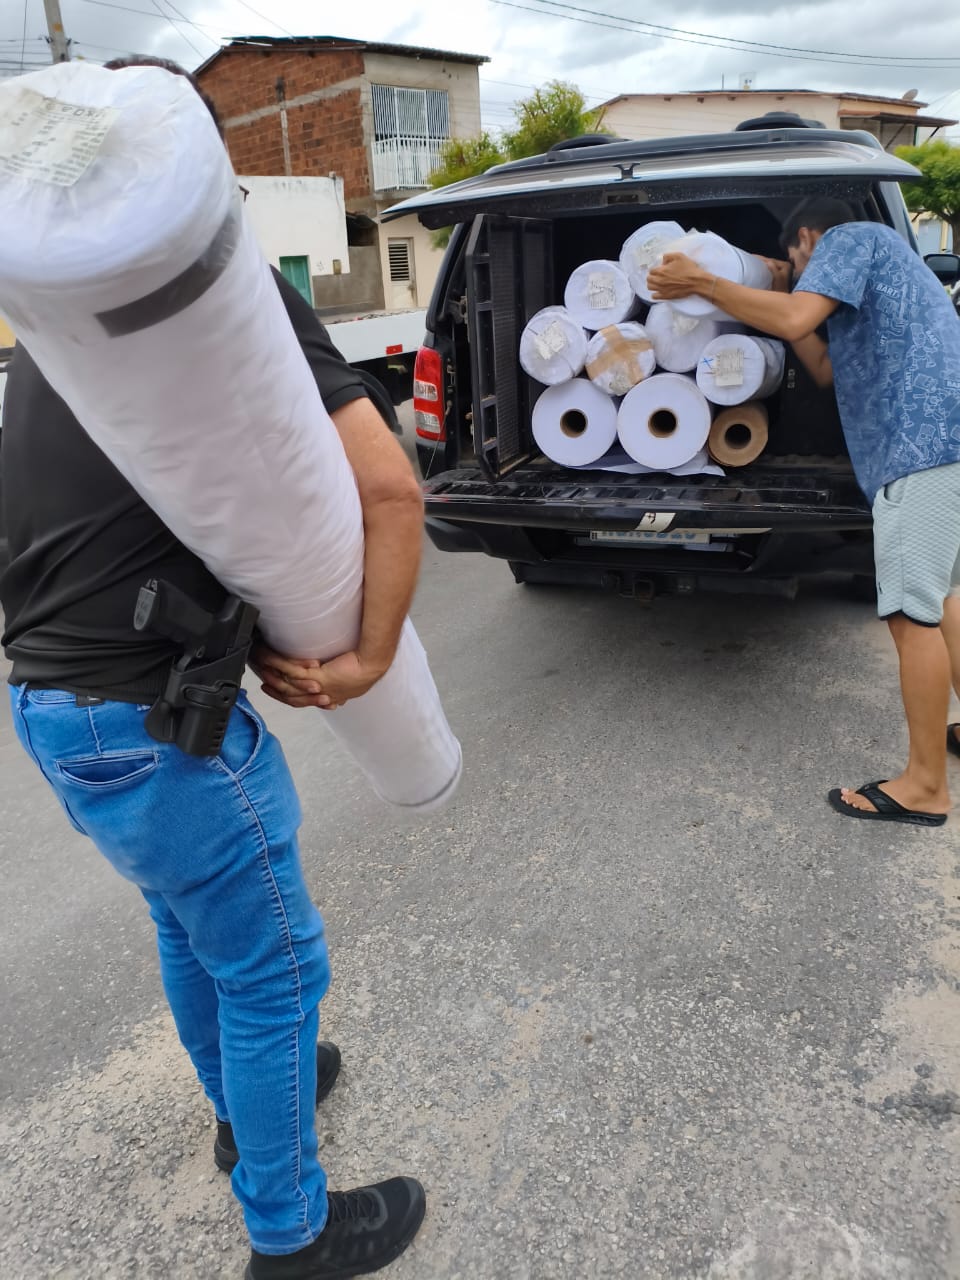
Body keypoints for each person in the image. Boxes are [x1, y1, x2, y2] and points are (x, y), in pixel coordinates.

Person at [1, 57, 427, 1279]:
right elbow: (391, 491)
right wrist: (369, 658)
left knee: (192, 929)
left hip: (52, 706)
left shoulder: (57, 327)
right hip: (154, 719)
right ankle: (292, 1234)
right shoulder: (220, 295)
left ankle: (249, 1111)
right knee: (278, 969)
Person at [648, 197, 960, 827]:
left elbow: (794, 317)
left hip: (919, 445)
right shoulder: (879, 279)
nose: (798, 274)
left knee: (912, 615)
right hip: (946, 445)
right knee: (948, 595)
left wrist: (705, 283)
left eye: (795, 260)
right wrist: (775, 293)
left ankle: (926, 785)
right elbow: (819, 365)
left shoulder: (850, 237)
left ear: (809, 238)